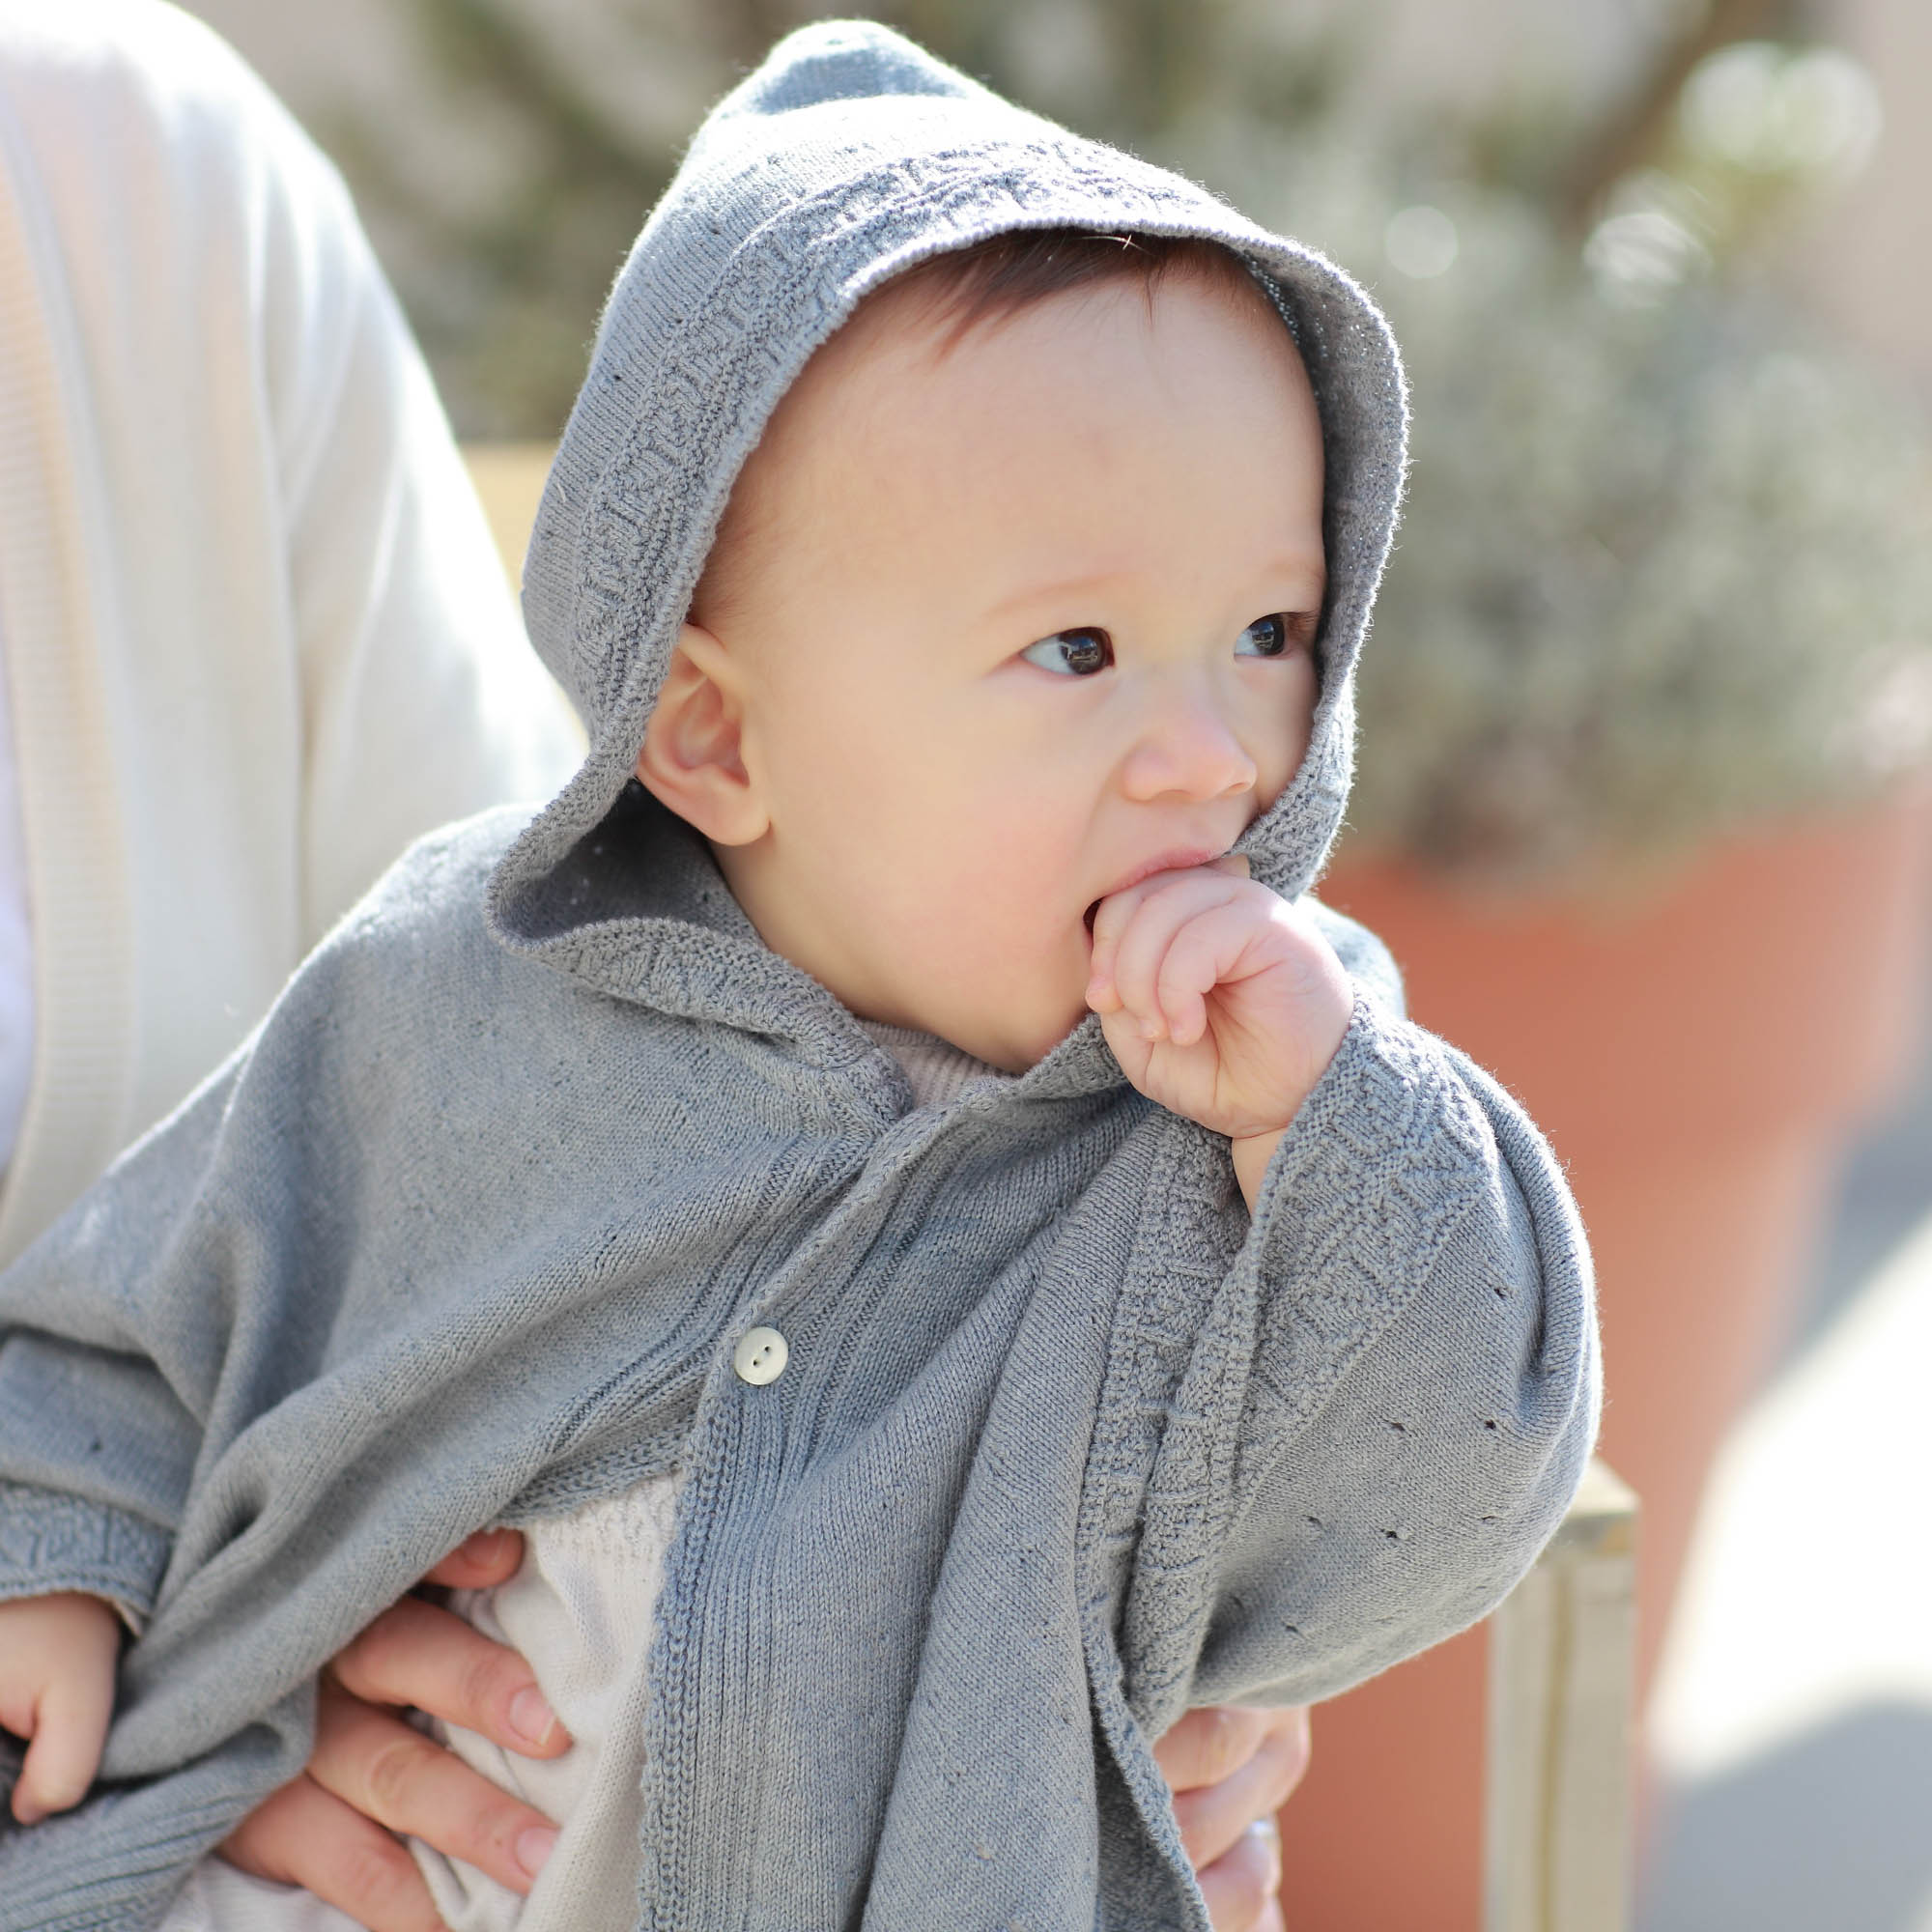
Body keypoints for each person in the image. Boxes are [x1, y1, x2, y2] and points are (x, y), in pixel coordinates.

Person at [0, 19, 1598, 1931]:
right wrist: (62, 1558)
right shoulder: (469, 1000)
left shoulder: (1242, 1111)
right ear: (713, 741)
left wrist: (1337, 1136)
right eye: (1077, 650)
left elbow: (1454, 1477)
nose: (1209, 751)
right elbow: (148, 1316)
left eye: (1265, 629)